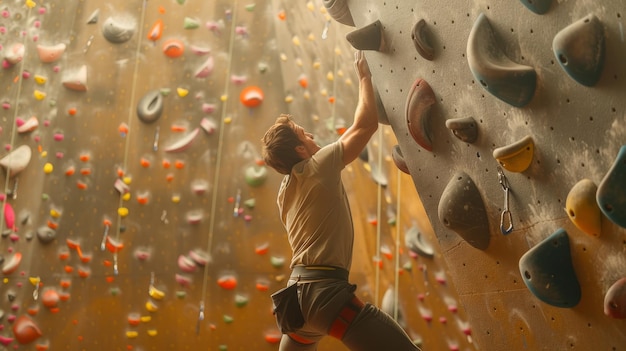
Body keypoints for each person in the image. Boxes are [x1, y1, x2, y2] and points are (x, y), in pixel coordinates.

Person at [261, 51, 420, 351]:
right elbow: (365, 125)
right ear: (299, 150)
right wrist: (364, 76)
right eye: (303, 134)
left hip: (295, 302)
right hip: (325, 297)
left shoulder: (285, 192)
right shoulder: (317, 166)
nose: (310, 135)